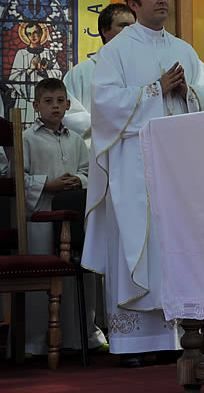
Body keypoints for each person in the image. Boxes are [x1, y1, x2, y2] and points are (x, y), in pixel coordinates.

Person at [82, 0, 204, 366]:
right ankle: (130, 344)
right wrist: (156, 89)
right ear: (133, 4)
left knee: (171, 246)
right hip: (133, 163)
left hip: (176, 165)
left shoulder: (184, 49)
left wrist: (187, 91)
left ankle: (171, 338)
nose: (162, 0)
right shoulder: (116, 51)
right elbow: (104, 106)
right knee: (135, 245)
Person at [22, 78, 106, 355]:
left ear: (68, 104)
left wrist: (78, 181)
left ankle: (83, 336)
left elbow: (89, 172)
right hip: (41, 215)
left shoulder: (77, 140)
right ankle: (35, 342)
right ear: (36, 105)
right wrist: (47, 184)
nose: (55, 106)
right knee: (41, 276)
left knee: (79, 273)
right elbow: (18, 177)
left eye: (60, 101)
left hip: (72, 218)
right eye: (48, 101)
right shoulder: (27, 138)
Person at [64, 3, 134, 140]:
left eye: (133, 27)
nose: (131, 31)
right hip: (95, 147)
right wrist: (115, 128)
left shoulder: (143, 70)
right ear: (104, 31)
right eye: (123, 26)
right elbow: (70, 115)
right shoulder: (80, 73)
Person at [10, 22, 62, 124]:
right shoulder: (21, 53)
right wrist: (30, 69)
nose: (32, 36)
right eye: (29, 34)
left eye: (35, 33)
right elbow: (13, 78)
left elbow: (58, 74)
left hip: (48, 102)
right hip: (25, 102)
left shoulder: (48, 53)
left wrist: (43, 71)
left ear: (41, 33)